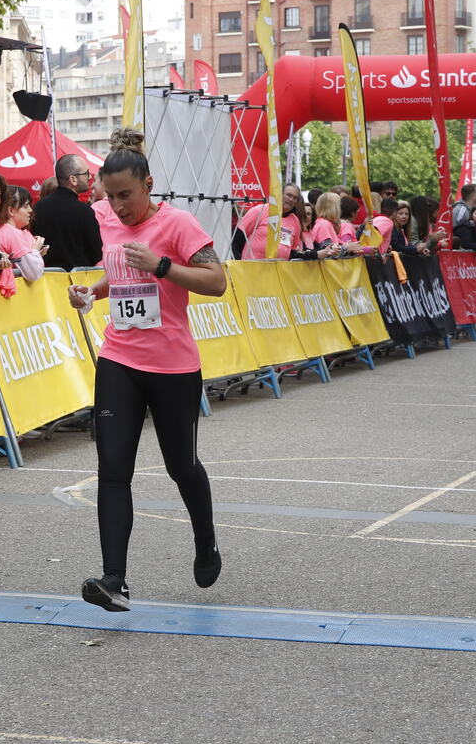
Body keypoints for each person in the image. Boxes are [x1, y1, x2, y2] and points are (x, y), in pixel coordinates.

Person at [66, 128, 228, 613]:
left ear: (149, 184)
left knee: (182, 467)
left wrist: (163, 266)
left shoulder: (178, 225)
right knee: (113, 471)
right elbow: (120, 274)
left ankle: (206, 543)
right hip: (119, 360)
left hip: (173, 367)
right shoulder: (109, 221)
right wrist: (91, 294)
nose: (117, 207)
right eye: (109, 196)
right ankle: (114, 579)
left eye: (126, 196)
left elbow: (217, 281)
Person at [32, 155, 103, 269]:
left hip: (44, 281)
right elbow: (97, 253)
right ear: (73, 179)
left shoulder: (38, 208)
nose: (89, 177)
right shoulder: (84, 211)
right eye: (86, 173)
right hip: (78, 282)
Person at [235, 184, 303, 260]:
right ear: (280, 195)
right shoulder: (259, 210)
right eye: (289, 195)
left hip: (278, 269)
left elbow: (293, 250)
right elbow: (238, 238)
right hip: (253, 267)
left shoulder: (295, 221)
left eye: (295, 198)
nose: (291, 199)